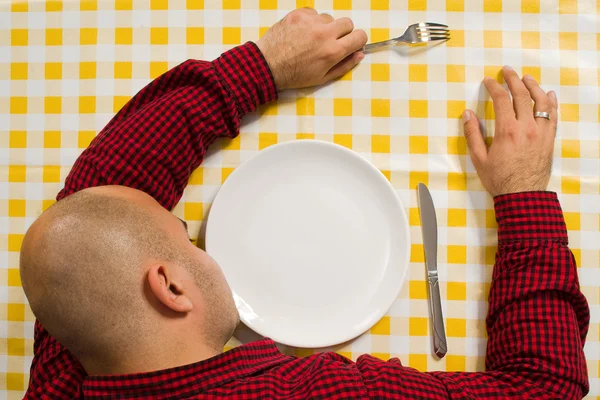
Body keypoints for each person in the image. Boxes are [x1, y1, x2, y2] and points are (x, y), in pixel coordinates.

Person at [19, 7, 589, 400]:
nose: (192, 234)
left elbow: (95, 210)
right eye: (183, 235)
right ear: (169, 287)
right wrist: (523, 195)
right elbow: (541, 388)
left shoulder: (72, 356)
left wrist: (262, 67)